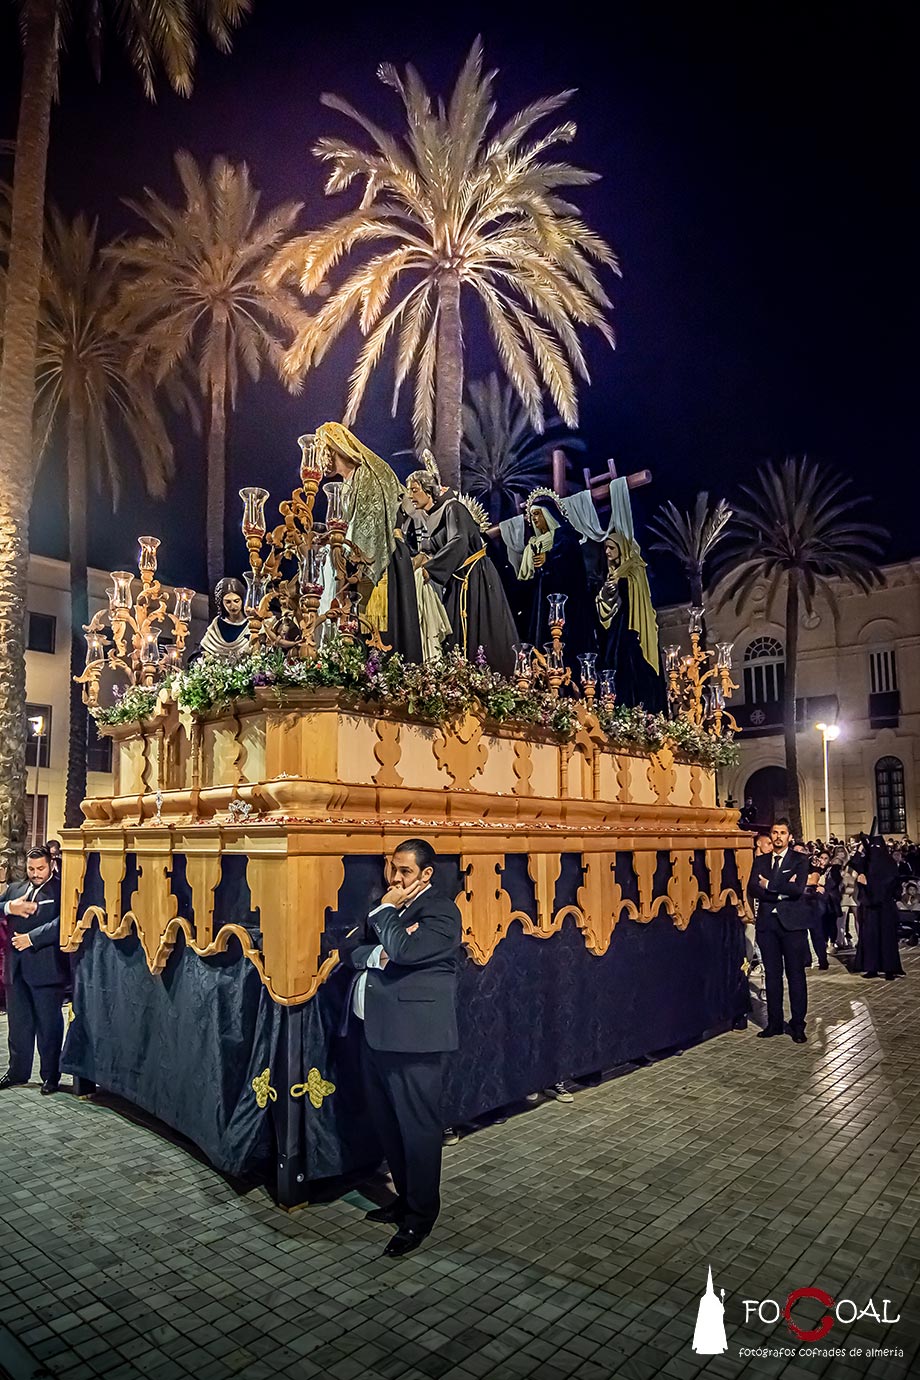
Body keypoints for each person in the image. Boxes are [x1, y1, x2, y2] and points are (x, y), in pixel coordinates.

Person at [341, 839, 462, 1257]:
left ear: (426, 874)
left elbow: (406, 950)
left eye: (405, 871)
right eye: (393, 869)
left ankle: (421, 1215)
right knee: (390, 1125)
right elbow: (348, 950)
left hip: (414, 1038)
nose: (395, 878)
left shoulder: (441, 911)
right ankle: (404, 1200)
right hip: (376, 1032)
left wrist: (387, 919)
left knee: (418, 1129)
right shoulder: (392, 909)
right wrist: (379, 952)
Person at [315, 422, 424, 664]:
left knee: (383, 638)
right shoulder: (346, 484)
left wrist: (344, 554)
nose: (317, 459)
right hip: (356, 563)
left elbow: (367, 528)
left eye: (321, 450)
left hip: (382, 561)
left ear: (334, 449)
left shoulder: (368, 475)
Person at [406, 471, 518, 677]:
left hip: (476, 577)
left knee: (481, 630)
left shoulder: (453, 508)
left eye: (414, 490)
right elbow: (430, 551)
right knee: (453, 630)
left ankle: (489, 679)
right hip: (457, 581)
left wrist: (430, 571)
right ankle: (460, 680)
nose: (410, 496)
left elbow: (459, 541)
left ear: (428, 490)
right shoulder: (431, 519)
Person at [0, 847, 67, 1093]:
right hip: (15, 969)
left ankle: (51, 1076)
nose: (36, 873)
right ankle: (17, 1072)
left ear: (51, 865)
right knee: (18, 1024)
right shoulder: (16, 889)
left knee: (48, 1026)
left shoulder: (61, 889)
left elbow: (65, 921)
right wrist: (9, 907)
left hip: (46, 968)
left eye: (41, 868)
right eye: (31, 868)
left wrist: (32, 938)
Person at [747, 820, 812, 1042]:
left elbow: (797, 889)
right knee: (773, 976)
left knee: (795, 975)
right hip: (768, 926)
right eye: (775, 832)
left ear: (789, 837)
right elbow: (752, 888)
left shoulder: (800, 860)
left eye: (782, 833)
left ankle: (798, 1024)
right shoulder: (761, 860)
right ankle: (774, 1023)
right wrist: (780, 887)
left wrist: (769, 885)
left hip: (792, 926)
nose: (778, 836)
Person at [592, 532, 665, 710]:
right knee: (612, 662)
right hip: (617, 625)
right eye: (606, 548)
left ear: (621, 548)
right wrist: (606, 593)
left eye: (612, 548)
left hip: (633, 624)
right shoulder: (612, 574)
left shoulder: (635, 567)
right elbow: (607, 602)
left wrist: (620, 584)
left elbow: (637, 593)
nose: (608, 552)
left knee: (633, 663)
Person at [851, 828, 905, 981]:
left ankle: (889, 969)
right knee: (870, 938)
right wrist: (861, 847)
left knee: (887, 938)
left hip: (885, 907)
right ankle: (871, 967)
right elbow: (854, 863)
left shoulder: (889, 864)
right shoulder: (867, 862)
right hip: (870, 908)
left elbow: (889, 885)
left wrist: (869, 885)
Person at [198, 577, 250, 660]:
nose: (233, 606)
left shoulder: (252, 625)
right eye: (228, 602)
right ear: (221, 602)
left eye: (236, 601)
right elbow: (203, 651)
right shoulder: (217, 625)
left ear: (243, 600)